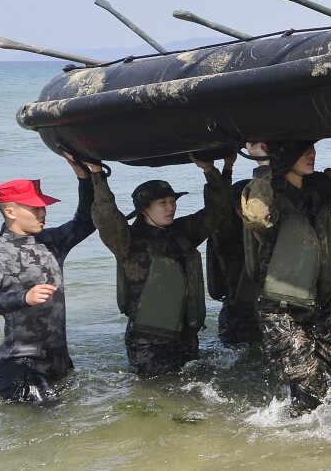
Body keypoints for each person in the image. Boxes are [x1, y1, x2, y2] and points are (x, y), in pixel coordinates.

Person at [240, 139, 331, 416]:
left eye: (312, 147)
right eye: (303, 149)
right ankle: (298, 438)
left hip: (320, 303)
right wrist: (263, 166)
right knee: (309, 388)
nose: (312, 154)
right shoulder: (263, 191)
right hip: (280, 309)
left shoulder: (319, 187)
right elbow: (258, 219)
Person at [0, 154, 96, 403]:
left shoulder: (51, 241)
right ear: (10, 211)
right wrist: (24, 297)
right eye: (34, 208)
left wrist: (86, 178)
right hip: (21, 367)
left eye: (43, 206)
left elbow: (86, 221)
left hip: (59, 362)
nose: (42, 212)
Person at [91, 157, 232, 377]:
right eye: (162, 203)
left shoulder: (183, 232)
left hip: (186, 339)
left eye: (172, 201)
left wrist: (210, 169)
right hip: (147, 344)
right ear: (144, 210)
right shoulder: (128, 241)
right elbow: (106, 216)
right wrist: (98, 173)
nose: (171, 207)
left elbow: (218, 210)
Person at [205, 150, 262, 347]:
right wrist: (226, 169)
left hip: (267, 311)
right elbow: (219, 207)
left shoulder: (265, 230)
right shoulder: (226, 236)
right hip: (238, 318)